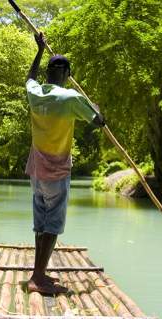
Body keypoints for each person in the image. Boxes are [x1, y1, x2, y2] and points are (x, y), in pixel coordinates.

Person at [25, 33, 105, 295]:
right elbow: (99, 122)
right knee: (53, 226)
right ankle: (37, 277)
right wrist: (93, 105)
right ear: (68, 74)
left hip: (36, 171)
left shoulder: (35, 93)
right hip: (57, 172)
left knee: (41, 224)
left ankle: (39, 273)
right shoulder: (71, 98)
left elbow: (29, 78)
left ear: (48, 73)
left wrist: (38, 50)